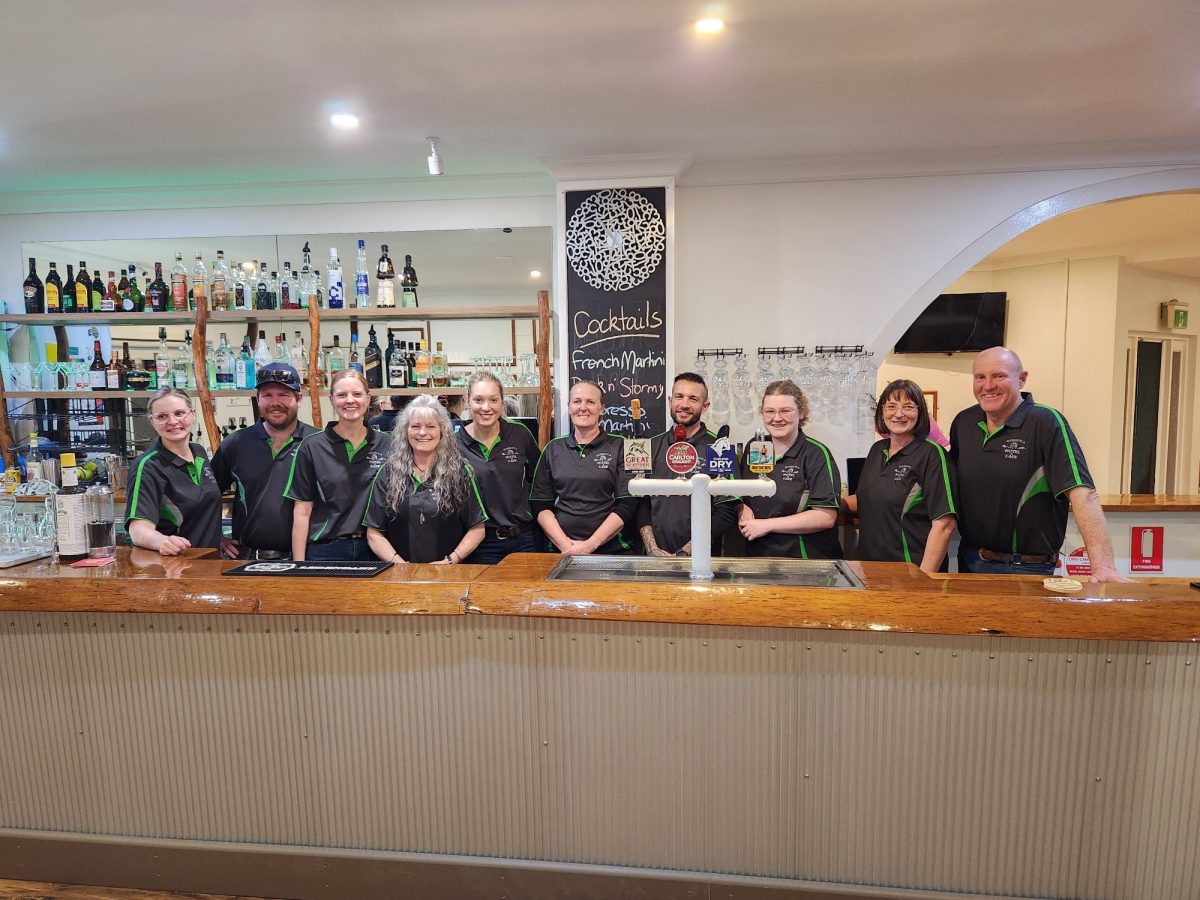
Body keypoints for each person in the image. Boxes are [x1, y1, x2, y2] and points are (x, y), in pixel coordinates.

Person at [949, 346, 1132, 582]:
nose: (988, 385)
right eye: (980, 377)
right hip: (971, 562)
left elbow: (1082, 494)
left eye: (999, 376)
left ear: (1022, 379)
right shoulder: (964, 422)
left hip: (1026, 570)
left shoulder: (1046, 422)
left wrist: (1103, 566)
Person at [210, 363, 318, 560]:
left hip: (308, 559)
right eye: (267, 395)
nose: (275, 402)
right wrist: (215, 536)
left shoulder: (318, 442)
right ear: (258, 400)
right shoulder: (236, 444)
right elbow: (206, 495)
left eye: (284, 395)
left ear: (299, 399)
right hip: (248, 560)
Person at [849, 379, 957, 573]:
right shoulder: (877, 450)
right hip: (870, 568)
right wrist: (826, 504)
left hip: (911, 572)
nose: (899, 414)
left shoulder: (932, 454)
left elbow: (944, 523)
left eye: (908, 406)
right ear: (882, 412)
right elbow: (865, 499)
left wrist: (924, 581)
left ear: (920, 412)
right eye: (891, 406)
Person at [364, 394, 486, 564]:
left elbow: (477, 528)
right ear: (405, 431)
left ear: (442, 432)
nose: (422, 433)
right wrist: (400, 566)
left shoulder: (460, 472)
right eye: (415, 426)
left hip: (449, 574)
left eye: (430, 426)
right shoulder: (388, 473)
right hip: (400, 576)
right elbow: (374, 532)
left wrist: (450, 561)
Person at [284, 369, 391, 561]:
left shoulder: (388, 444)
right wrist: (299, 566)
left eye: (357, 394)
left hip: (376, 548)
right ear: (332, 399)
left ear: (368, 398)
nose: (350, 400)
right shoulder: (311, 446)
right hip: (325, 550)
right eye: (342, 395)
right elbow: (302, 511)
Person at [530, 380, 640, 555]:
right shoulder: (553, 449)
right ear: (569, 407)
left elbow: (628, 504)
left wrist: (591, 545)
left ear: (601, 408)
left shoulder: (622, 447)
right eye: (577, 401)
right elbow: (541, 504)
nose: (583, 407)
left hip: (611, 551)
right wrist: (566, 546)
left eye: (590, 402)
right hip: (561, 550)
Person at [737, 379, 843, 559]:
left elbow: (826, 517)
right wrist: (741, 508)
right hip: (759, 555)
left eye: (785, 411)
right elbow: (742, 491)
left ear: (801, 413)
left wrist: (767, 525)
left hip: (805, 559)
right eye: (769, 411)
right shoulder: (754, 447)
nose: (777, 418)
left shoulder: (816, 454)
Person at [638, 372, 738, 557]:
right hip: (655, 559)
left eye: (693, 399)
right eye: (679, 396)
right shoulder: (649, 447)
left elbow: (726, 511)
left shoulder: (720, 449)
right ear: (670, 400)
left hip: (702, 559)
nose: (684, 404)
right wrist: (653, 549)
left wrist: (685, 552)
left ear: (705, 406)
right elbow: (642, 503)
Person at [125, 387, 222, 555]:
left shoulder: (199, 452)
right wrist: (162, 541)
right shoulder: (148, 466)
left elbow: (203, 512)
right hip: (176, 567)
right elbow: (138, 529)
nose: (172, 421)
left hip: (209, 564)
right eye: (162, 416)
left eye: (179, 413)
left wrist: (220, 539)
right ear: (151, 421)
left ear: (192, 414)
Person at [455, 371, 540, 563]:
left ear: (502, 401)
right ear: (467, 400)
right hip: (478, 544)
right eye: (478, 400)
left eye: (493, 400)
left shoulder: (520, 434)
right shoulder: (454, 444)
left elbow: (540, 482)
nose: (486, 407)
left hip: (524, 539)